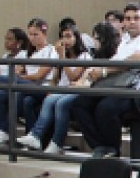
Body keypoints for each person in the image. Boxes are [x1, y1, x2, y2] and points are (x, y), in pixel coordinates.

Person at [71, 2, 140, 157]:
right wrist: (92, 73)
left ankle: (112, 148)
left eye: (137, 18)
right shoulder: (126, 40)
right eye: (128, 18)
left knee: (106, 107)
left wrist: (103, 71)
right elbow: (114, 62)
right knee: (80, 103)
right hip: (121, 88)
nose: (132, 22)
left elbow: (137, 59)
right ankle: (100, 146)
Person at [16, 23, 94, 153]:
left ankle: (56, 141)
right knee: (40, 99)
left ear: (76, 38)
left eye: (69, 36)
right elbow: (55, 78)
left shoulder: (84, 56)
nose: (65, 41)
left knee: (59, 103)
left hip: (74, 90)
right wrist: (51, 88)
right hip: (61, 90)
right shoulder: (61, 57)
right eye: (63, 37)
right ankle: (35, 137)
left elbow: (73, 77)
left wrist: (62, 57)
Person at [0, 18, 56, 146]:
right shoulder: (30, 53)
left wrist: (21, 77)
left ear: (44, 34)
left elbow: (39, 75)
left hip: (44, 88)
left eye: (36, 34)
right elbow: (20, 70)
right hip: (28, 87)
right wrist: (20, 76)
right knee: (0, 94)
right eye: (30, 34)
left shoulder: (51, 50)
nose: (32, 38)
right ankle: (6, 131)